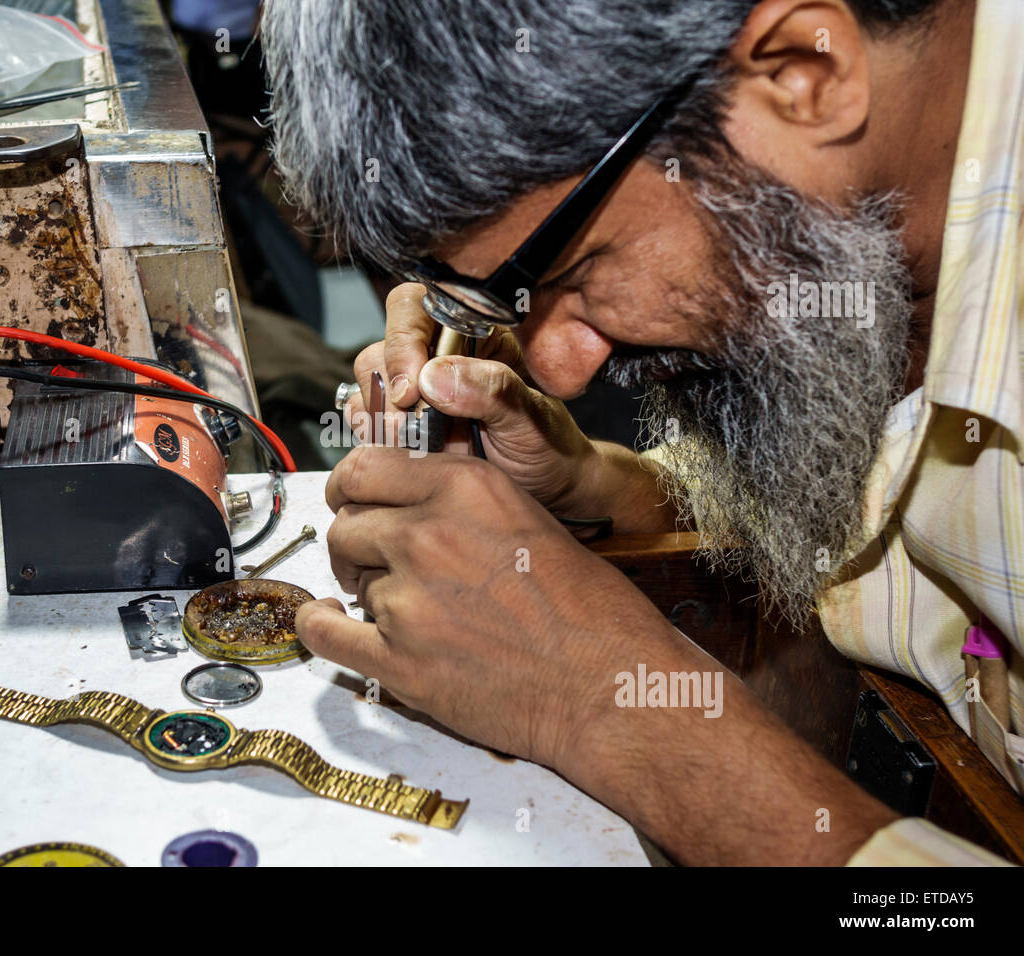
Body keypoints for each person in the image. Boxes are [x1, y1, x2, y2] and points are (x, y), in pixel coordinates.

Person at [261, 0, 1022, 864]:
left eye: (579, 272)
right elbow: (876, 520)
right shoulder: (860, 237)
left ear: (801, 75)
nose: (558, 367)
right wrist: (600, 496)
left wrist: (604, 704)